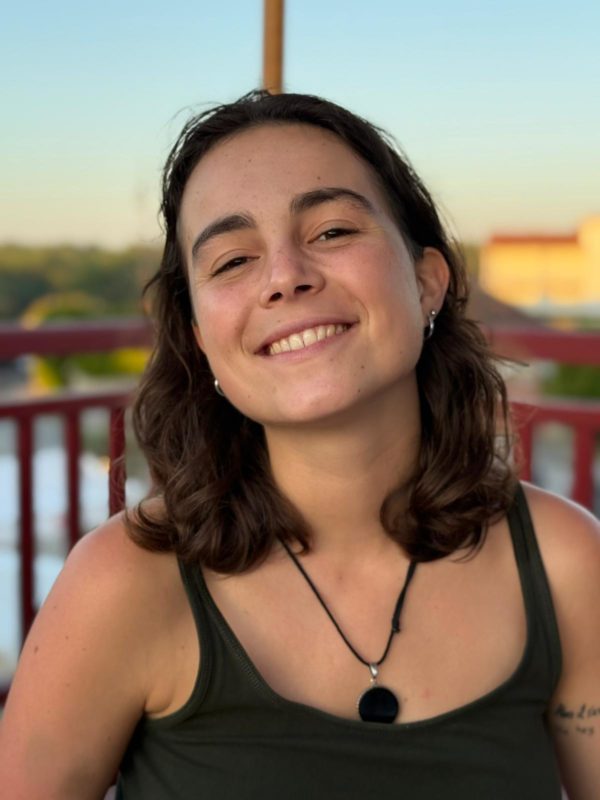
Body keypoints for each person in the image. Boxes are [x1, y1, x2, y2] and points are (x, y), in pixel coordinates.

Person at [0, 91, 598, 800]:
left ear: (427, 282)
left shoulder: (564, 563)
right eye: (232, 260)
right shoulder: (124, 583)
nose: (285, 276)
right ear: (201, 337)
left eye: (332, 230)